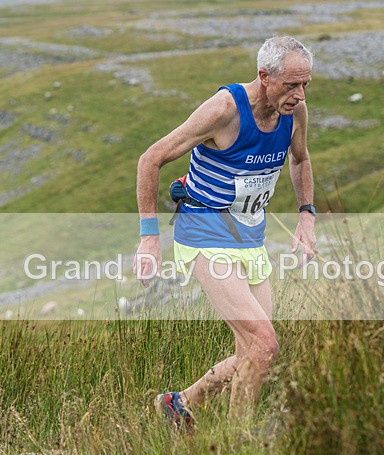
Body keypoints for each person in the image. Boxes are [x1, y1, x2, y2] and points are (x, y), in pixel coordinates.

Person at [133, 36, 317, 427]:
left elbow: (300, 159)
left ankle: (180, 403)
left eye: (305, 85)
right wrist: (149, 238)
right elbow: (150, 159)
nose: (300, 95)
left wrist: (306, 214)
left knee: (254, 353)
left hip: (251, 238)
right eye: (291, 85)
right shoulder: (225, 110)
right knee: (265, 344)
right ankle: (238, 442)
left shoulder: (295, 111)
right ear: (264, 76)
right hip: (204, 233)